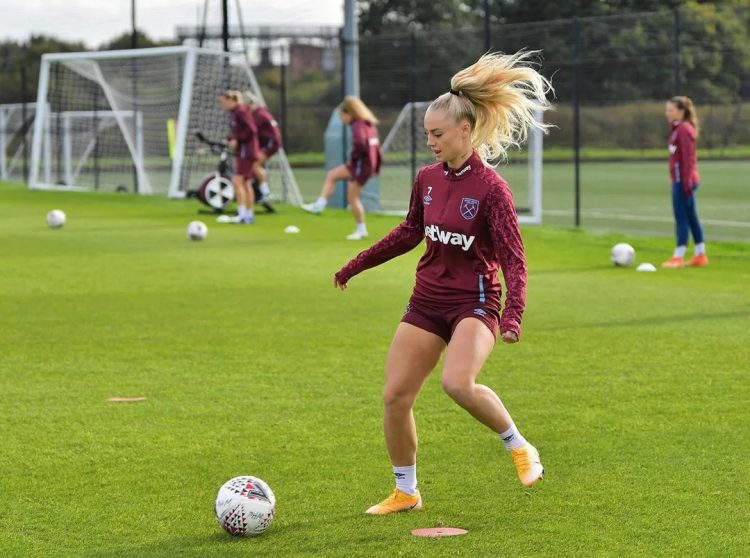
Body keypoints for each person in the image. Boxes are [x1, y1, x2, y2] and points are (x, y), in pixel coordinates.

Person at [333, 51, 551, 515]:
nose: (429, 142)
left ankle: (518, 446)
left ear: (465, 131)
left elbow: (514, 257)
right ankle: (406, 491)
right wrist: (356, 264)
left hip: (474, 303)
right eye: (426, 134)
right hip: (426, 302)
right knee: (394, 397)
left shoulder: (492, 189)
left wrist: (513, 312)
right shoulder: (427, 178)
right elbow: (410, 232)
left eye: (436, 134)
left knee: (457, 383)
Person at [302, 96, 382, 240]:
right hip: (364, 165)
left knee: (352, 198)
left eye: (342, 116)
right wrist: (376, 167)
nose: (342, 120)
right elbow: (376, 149)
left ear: (349, 113)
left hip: (360, 166)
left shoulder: (358, 125)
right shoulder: (368, 124)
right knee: (332, 175)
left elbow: (360, 144)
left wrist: (353, 159)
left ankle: (361, 230)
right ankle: (319, 205)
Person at [662, 96, 708, 268]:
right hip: (679, 179)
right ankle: (700, 255)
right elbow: (676, 157)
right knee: (691, 216)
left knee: (681, 217)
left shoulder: (683, 129)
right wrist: (672, 175)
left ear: (681, 111)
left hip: (684, 181)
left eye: (671, 110)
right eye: (667, 110)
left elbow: (688, 159)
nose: (667, 113)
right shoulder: (676, 129)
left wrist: (685, 182)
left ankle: (678, 256)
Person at [218, 90, 258, 224]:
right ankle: (248, 215)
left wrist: (238, 140)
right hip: (244, 151)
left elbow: (251, 130)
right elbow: (238, 131)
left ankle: (242, 215)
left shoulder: (240, 112)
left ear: (232, 100)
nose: (222, 104)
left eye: (223, 101)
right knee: (246, 183)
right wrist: (231, 139)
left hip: (246, 151)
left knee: (237, 180)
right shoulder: (235, 113)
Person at [244, 91, 283, 202]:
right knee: (253, 165)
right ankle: (259, 190)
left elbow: (251, 132)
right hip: (267, 144)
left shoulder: (259, 115)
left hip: (270, 145)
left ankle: (265, 193)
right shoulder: (260, 113)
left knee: (255, 164)